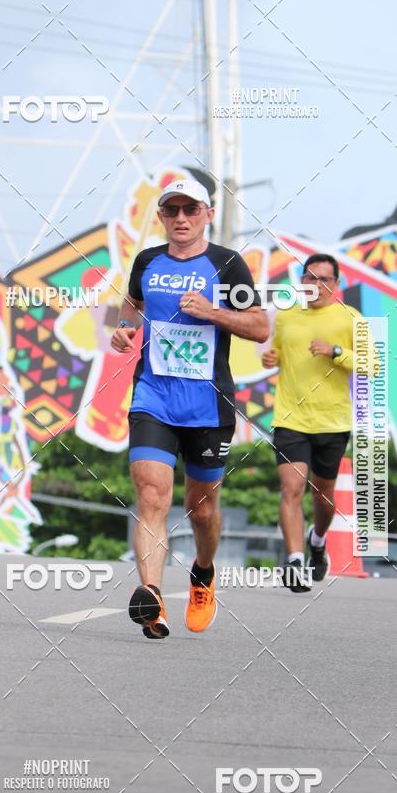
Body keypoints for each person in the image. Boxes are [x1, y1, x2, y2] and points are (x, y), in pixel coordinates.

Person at [111, 178, 269, 639]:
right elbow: (131, 307)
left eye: (191, 209)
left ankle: (202, 574)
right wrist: (123, 329)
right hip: (153, 397)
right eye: (172, 210)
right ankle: (152, 597)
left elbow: (259, 327)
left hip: (208, 405)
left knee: (200, 510)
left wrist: (213, 312)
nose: (181, 218)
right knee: (151, 495)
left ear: (208, 213)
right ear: (161, 217)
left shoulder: (226, 264)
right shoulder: (147, 261)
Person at [261, 253, 376, 591]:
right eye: (310, 278)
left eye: (325, 279)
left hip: (332, 421)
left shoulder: (350, 318)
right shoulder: (286, 318)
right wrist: (272, 357)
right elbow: (280, 353)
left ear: (336, 284)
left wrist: (336, 351)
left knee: (323, 497)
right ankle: (295, 561)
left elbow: (373, 365)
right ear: (301, 282)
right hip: (290, 417)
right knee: (291, 489)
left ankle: (318, 539)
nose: (317, 285)